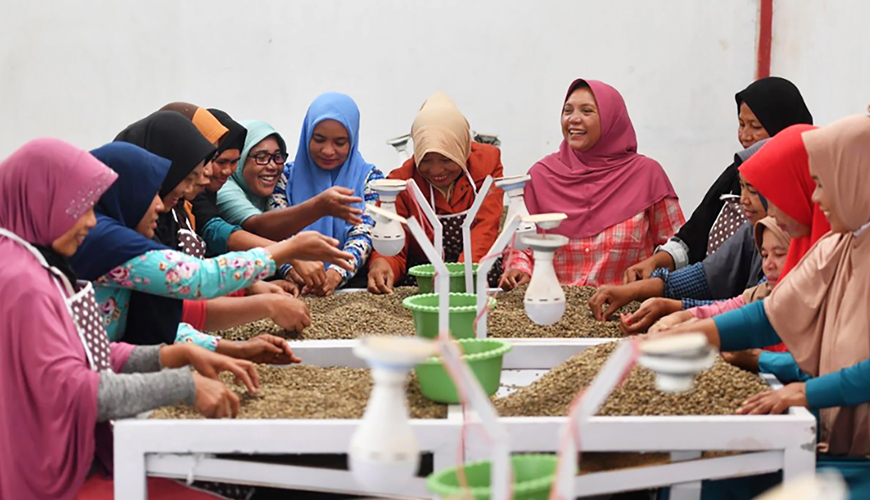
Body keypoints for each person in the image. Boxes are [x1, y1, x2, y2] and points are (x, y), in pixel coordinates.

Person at [0, 138, 256, 500]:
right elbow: (74, 391)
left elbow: (88, 354)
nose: (90, 222)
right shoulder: (21, 282)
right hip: (49, 477)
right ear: (43, 202)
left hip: (75, 456)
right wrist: (185, 386)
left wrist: (171, 356)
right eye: (81, 209)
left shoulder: (42, 267)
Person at [647, 114, 870, 499]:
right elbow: (770, 314)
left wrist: (802, 393)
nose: (815, 197)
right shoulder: (839, 247)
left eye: (821, 183)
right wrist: (693, 335)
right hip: (828, 440)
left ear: (855, 177)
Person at [69, 142, 349, 358]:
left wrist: (229, 349)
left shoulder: (121, 231)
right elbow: (197, 280)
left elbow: (155, 324)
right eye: (150, 192)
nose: (159, 205)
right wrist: (286, 250)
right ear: (126, 190)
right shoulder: (104, 238)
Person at [591, 125, 831, 333]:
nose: (743, 200)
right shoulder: (757, 230)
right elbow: (709, 277)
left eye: (756, 191)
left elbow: (763, 310)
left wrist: (678, 310)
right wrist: (634, 291)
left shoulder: (828, 252)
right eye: (742, 188)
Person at [623, 77, 813, 282]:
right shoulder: (735, 174)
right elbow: (695, 238)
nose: (745, 136)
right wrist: (657, 263)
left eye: (755, 127)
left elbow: (752, 299)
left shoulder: (800, 194)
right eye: (741, 125)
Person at [499, 79, 683, 289]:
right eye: (568, 111)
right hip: (552, 308)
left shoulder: (647, 175)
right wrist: (519, 269)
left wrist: (648, 283)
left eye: (587, 111)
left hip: (627, 309)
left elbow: (676, 246)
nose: (574, 119)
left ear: (611, 120)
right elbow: (520, 246)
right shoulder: (540, 176)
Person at [367, 91, 505, 294]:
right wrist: (382, 264)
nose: (437, 170)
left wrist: (462, 275)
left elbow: (485, 227)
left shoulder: (487, 165)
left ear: (462, 148)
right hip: (425, 276)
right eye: (426, 160)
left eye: (447, 160)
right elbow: (391, 239)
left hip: (476, 268)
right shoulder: (400, 182)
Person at [216, 117, 369, 294]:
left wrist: (337, 273)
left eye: (277, 157)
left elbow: (365, 230)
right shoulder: (224, 187)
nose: (272, 166)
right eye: (261, 157)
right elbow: (257, 227)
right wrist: (290, 262)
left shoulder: (367, 177)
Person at [276, 92, 385, 294]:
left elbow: (364, 233)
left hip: (352, 288)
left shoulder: (371, 180)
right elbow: (276, 229)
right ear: (306, 135)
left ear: (352, 141)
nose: (328, 151)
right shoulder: (284, 177)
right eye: (319, 139)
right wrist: (291, 268)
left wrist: (336, 273)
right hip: (292, 287)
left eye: (340, 142)